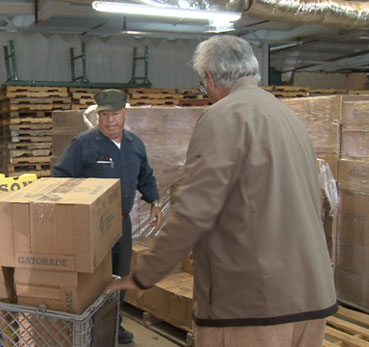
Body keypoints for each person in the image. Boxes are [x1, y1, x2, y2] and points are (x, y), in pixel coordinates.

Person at [107, 35, 337, 347]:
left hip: (253, 305)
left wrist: (146, 273)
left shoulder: (223, 116)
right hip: (311, 298)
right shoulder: (288, 117)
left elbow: (193, 208)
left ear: (211, 78)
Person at [53, 89, 164, 344]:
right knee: (92, 279)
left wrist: (155, 203)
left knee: (120, 275)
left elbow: (145, 176)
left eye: (115, 113)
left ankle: (114, 323)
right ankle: (87, 328)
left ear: (125, 113)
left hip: (121, 223)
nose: (109, 120)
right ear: (98, 116)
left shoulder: (135, 144)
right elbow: (60, 178)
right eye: (104, 114)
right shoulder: (83, 144)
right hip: (91, 226)